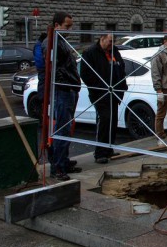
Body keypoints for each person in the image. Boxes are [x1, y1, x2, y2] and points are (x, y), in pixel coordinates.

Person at [42, 12, 82, 181]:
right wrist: (67, 84)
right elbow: (53, 69)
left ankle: (63, 161)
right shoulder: (51, 43)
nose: (69, 29)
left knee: (66, 128)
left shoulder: (61, 41)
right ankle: (57, 167)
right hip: (63, 90)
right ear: (56, 25)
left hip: (69, 89)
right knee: (61, 129)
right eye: (67, 26)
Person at [80, 33, 128, 164]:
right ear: (102, 39)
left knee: (112, 120)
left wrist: (122, 86)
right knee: (104, 120)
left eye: (113, 42)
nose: (112, 44)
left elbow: (121, 68)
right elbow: (85, 74)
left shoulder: (114, 52)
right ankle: (100, 152)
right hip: (100, 93)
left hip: (114, 92)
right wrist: (98, 87)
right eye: (110, 41)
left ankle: (109, 148)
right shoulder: (90, 53)